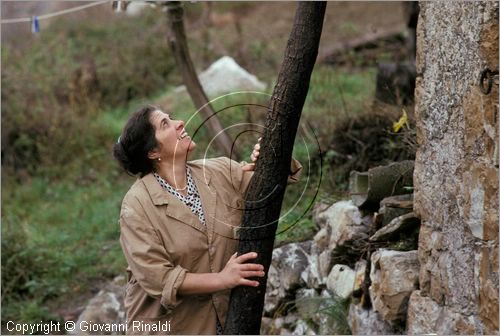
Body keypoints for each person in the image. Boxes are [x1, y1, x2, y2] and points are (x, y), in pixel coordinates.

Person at [113, 105, 302, 335]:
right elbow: (160, 280)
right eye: (165, 124)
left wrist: (272, 157)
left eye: (171, 118)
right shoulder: (136, 207)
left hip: (222, 322)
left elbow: (268, 183)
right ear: (152, 152)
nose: (179, 122)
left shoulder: (218, 171)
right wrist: (223, 279)